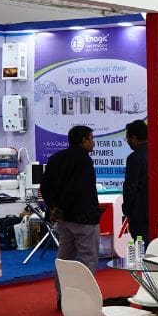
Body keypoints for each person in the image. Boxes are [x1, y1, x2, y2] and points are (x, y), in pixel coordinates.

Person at [41, 125, 101, 306]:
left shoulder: (55, 158)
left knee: (64, 259)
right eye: (91, 138)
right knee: (88, 259)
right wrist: (61, 207)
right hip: (84, 218)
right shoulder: (84, 161)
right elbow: (77, 189)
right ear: (84, 141)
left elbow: (45, 187)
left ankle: (63, 298)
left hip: (64, 219)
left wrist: (55, 207)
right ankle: (84, 301)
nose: (93, 142)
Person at [122, 119, 149, 243]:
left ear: (133, 138)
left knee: (140, 246)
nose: (127, 142)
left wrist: (126, 209)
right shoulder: (157, 152)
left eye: (127, 138)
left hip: (139, 214)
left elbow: (130, 187)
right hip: (155, 212)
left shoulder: (134, 158)